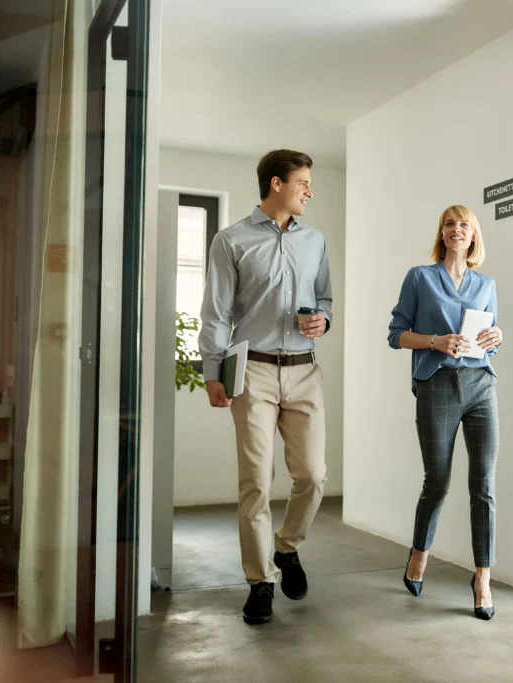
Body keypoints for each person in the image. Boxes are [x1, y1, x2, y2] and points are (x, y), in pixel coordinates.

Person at [199, 149, 332, 625]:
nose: (309, 191)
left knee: (313, 475)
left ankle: (288, 547)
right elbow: (215, 312)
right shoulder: (230, 240)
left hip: (304, 369)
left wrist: (323, 320)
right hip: (251, 371)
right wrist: (213, 373)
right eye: (303, 183)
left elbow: (324, 298)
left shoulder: (314, 241)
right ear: (276, 184)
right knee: (256, 482)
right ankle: (259, 582)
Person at [387, 205, 503, 621]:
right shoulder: (420, 277)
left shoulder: (486, 284)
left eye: (465, 225)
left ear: (474, 236)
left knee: (483, 486)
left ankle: (483, 578)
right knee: (437, 481)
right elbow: (396, 334)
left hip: (480, 386)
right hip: (436, 386)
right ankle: (419, 556)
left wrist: (497, 336)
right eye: (450, 224)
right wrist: (435, 342)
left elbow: (489, 336)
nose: (457, 230)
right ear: (442, 233)